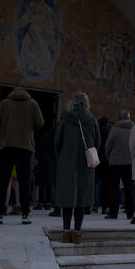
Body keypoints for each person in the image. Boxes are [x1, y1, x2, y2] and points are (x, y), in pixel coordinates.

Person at [0, 87, 44, 225]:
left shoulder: (5, 103)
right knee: (24, 180)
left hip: (6, 145)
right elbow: (40, 123)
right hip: (25, 146)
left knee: (3, 180)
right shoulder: (32, 104)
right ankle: (25, 213)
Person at [54, 92, 100, 243]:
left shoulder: (65, 119)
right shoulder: (92, 119)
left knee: (67, 198)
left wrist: (62, 157)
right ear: (86, 102)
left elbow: (57, 142)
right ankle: (78, 232)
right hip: (85, 164)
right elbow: (97, 142)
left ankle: (66, 232)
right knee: (81, 198)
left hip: (66, 163)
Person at [105, 110, 134, 219]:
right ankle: (130, 212)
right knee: (129, 188)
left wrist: (110, 158)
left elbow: (108, 146)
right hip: (130, 163)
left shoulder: (114, 130)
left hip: (115, 163)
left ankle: (113, 212)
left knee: (114, 188)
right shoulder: (133, 129)